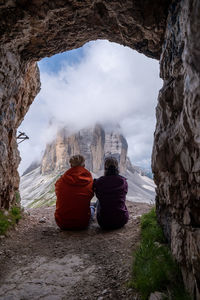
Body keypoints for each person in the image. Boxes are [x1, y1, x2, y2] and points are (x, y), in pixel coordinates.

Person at [54, 155, 94, 230]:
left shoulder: (61, 181)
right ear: (84, 165)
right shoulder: (89, 180)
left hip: (62, 223)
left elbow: (57, 192)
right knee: (92, 208)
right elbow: (91, 194)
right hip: (82, 223)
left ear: (71, 165)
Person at [93, 156, 129, 230]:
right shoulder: (123, 181)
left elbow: (96, 193)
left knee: (99, 200)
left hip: (104, 222)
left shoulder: (99, 182)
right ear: (117, 167)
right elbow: (124, 193)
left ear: (105, 167)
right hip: (121, 220)